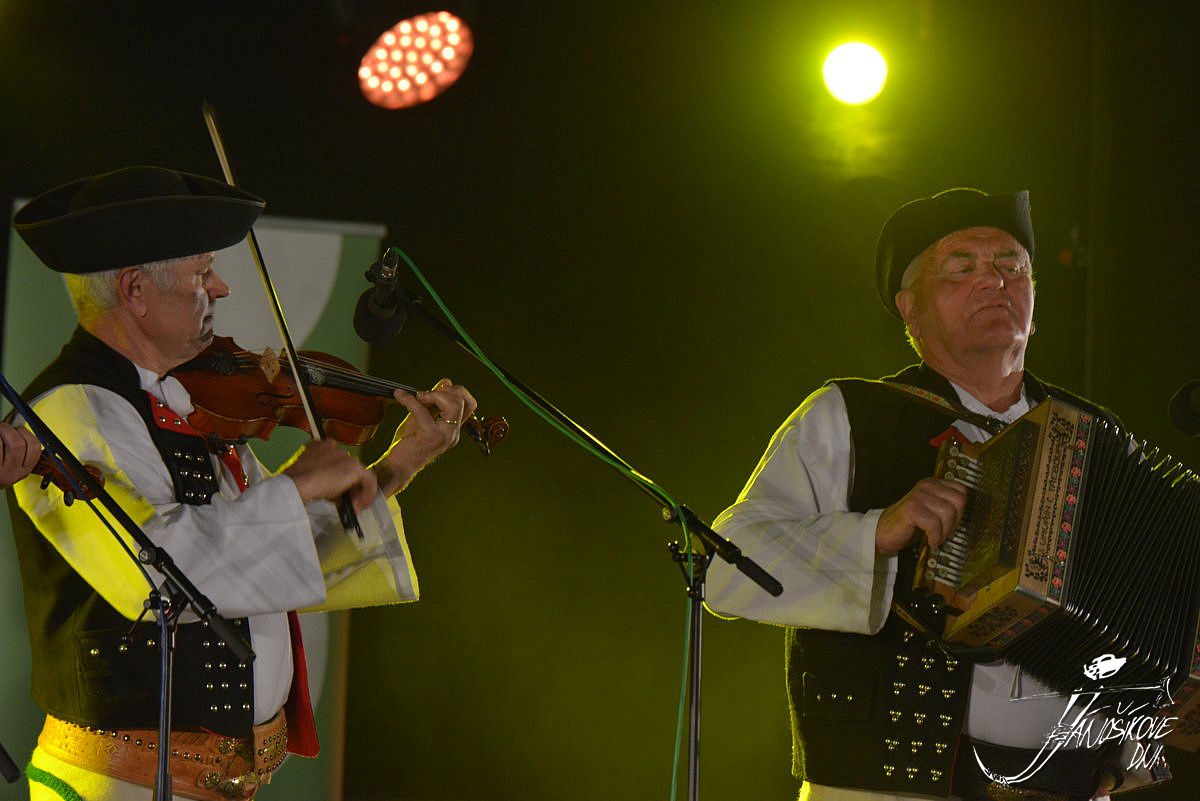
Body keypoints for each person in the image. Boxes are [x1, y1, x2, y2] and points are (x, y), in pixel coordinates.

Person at [7, 165, 476, 801]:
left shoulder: (187, 400)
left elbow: (265, 557)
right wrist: (295, 486)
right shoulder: (68, 411)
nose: (220, 288)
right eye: (202, 273)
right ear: (135, 289)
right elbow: (163, 573)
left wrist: (399, 465)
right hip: (122, 786)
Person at [706, 189, 1162, 801]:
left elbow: (1153, 602)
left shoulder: (1099, 436)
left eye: (1012, 266)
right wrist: (874, 532)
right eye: (960, 267)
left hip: (1074, 786)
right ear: (910, 309)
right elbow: (723, 569)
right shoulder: (851, 415)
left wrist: (1132, 754)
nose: (994, 281)